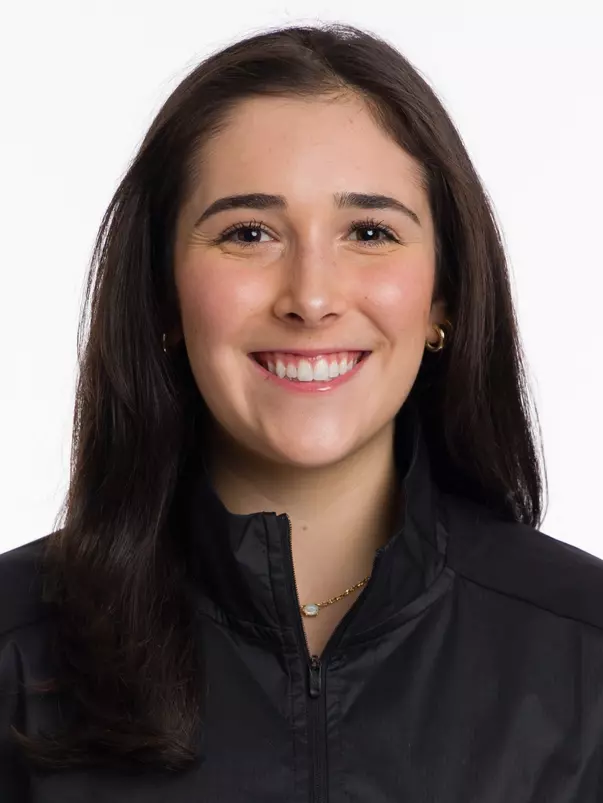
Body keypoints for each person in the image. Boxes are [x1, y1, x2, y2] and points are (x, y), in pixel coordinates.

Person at [1, 21, 602, 802]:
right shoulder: (15, 651)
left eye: (369, 231)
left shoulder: (584, 653)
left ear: (441, 298)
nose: (311, 297)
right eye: (247, 233)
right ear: (163, 297)